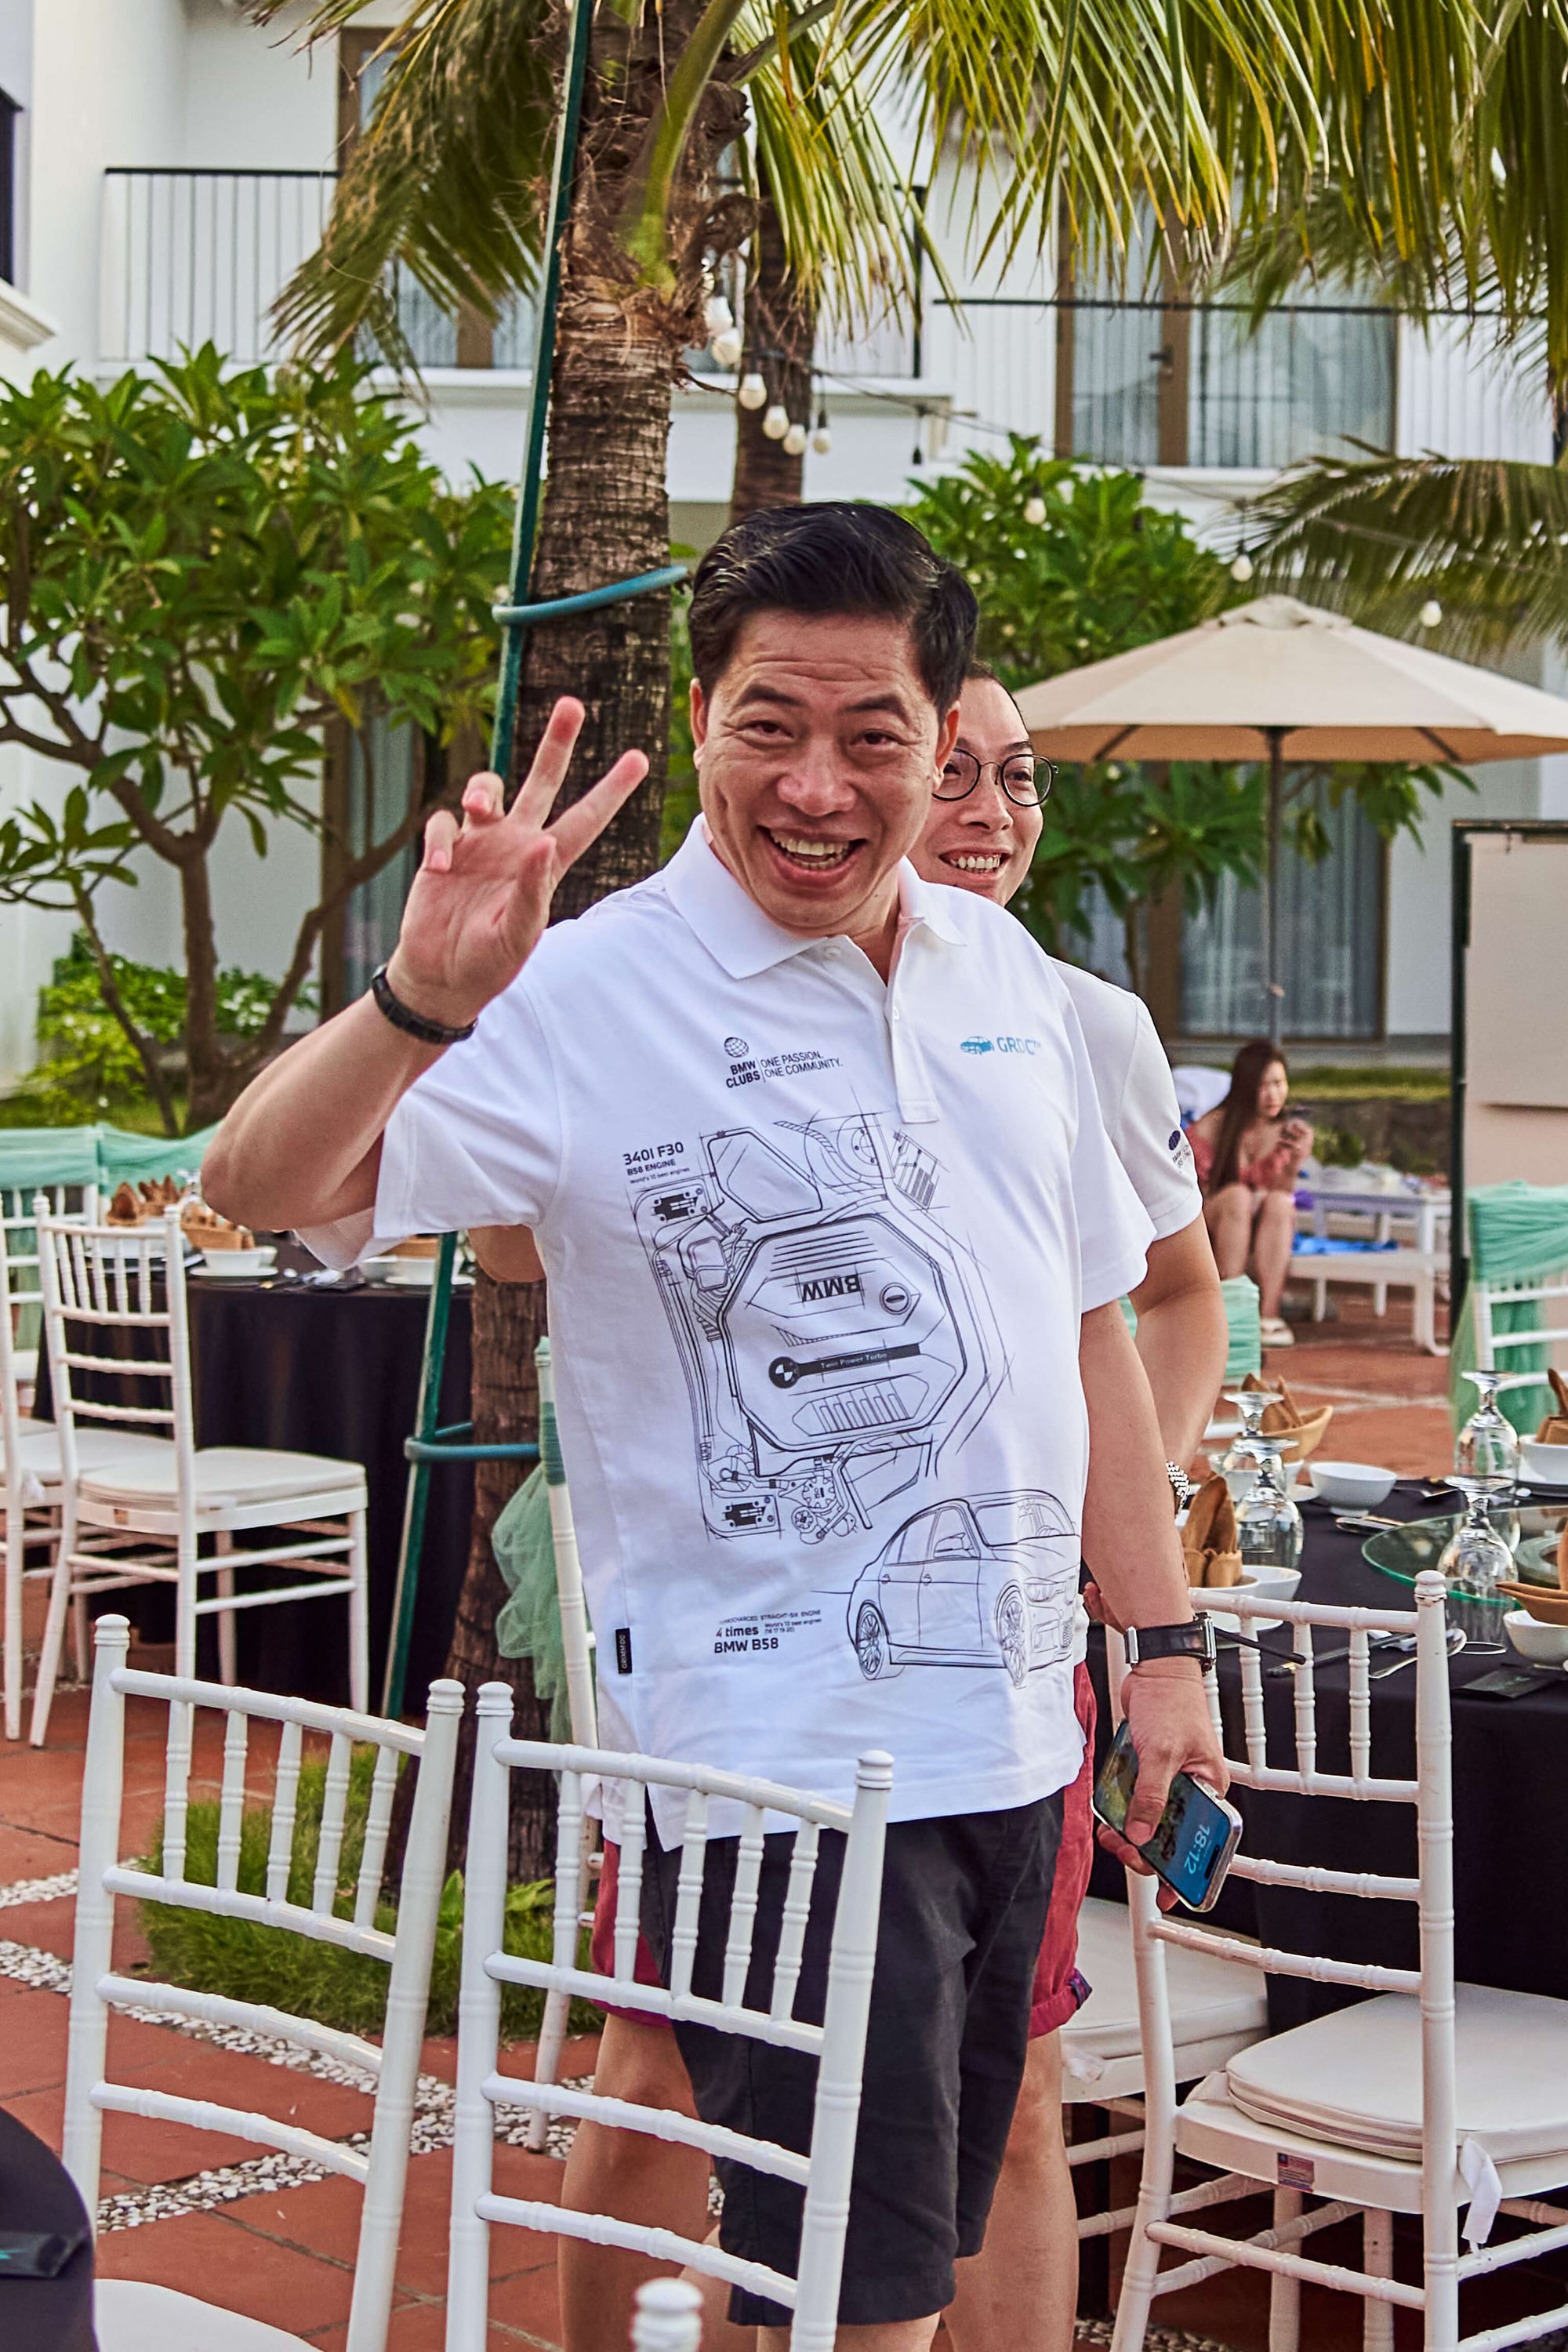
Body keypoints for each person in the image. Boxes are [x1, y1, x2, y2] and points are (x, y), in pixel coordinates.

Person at [205, 503, 1225, 2352]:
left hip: (1009, 1739)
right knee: (847, 2299)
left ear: (939, 740)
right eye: (770, 725)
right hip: (775, 1770)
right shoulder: (588, 986)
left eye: (870, 736)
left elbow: (1085, 1329)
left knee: (909, 2245)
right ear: (697, 723)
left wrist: (1157, 1650)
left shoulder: (1010, 983)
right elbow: (258, 1183)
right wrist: (421, 994)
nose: (816, 787)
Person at [543, 659, 1229, 2352]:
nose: (989, 807)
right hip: (744, 1686)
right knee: (659, 2065)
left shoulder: (1070, 1014)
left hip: (996, 1673)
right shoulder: (668, 990)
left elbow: (1151, 1307)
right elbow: (498, 1242)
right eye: (956, 766)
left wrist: (1130, 1566)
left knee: (1007, 2094)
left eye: (1015, 774)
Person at [1187, 1040, 1313, 1350]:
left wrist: (1294, 1164)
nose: (1273, 1095)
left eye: (1279, 1084)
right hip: (1212, 1217)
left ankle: (1268, 1315)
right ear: (1245, 1087)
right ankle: (1232, 1311)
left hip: (1258, 1225)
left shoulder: (1287, 1133)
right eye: (1263, 1086)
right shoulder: (1212, 1127)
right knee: (1238, 1196)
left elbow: (1282, 1191)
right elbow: (1191, 1191)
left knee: (1280, 1203)